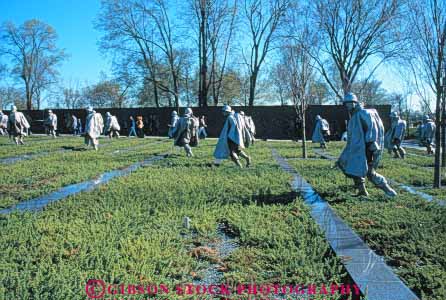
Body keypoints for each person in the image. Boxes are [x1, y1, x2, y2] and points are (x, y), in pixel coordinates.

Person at [336, 93, 397, 197]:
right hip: (357, 149)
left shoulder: (364, 113)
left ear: (354, 103)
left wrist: (371, 144)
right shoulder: (355, 116)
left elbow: (372, 128)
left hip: (368, 149)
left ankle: (389, 191)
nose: (347, 106)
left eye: (349, 103)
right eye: (346, 104)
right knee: (352, 168)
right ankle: (362, 191)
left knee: (370, 173)